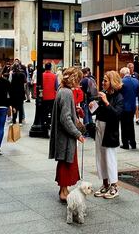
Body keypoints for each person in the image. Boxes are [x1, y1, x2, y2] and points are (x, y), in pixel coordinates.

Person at [49, 67, 86, 202]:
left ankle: (63, 189)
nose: (79, 83)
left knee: (65, 161)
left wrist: (75, 110)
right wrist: (77, 134)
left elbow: (66, 114)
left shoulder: (62, 90)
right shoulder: (66, 93)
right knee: (67, 162)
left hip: (62, 135)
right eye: (78, 79)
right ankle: (63, 191)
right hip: (65, 137)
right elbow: (65, 118)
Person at [91, 71, 124, 199]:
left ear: (112, 82)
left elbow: (116, 115)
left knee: (110, 157)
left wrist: (106, 102)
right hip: (100, 127)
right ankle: (105, 184)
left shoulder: (118, 97)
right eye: (103, 80)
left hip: (110, 131)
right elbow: (97, 111)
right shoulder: (103, 95)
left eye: (105, 80)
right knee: (100, 157)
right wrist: (92, 107)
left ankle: (114, 186)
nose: (103, 83)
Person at [119, 67, 139, 150]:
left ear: (123, 74)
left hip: (124, 106)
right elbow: (138, 93)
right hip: (132, 106)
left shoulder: (122, 82)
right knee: (131, 125)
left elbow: (119, 94)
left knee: (124, 126)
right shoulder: (136, 81)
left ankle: (125, 144)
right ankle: (133, 143)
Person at [42, 63, 59, 130]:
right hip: (52, 97)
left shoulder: (41, 75)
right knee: (52, 111)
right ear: (50, 68)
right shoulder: (54, 76)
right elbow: (56, 87)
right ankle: (51, 123)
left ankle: (45, 122)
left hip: (43, 96)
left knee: (44, 111)